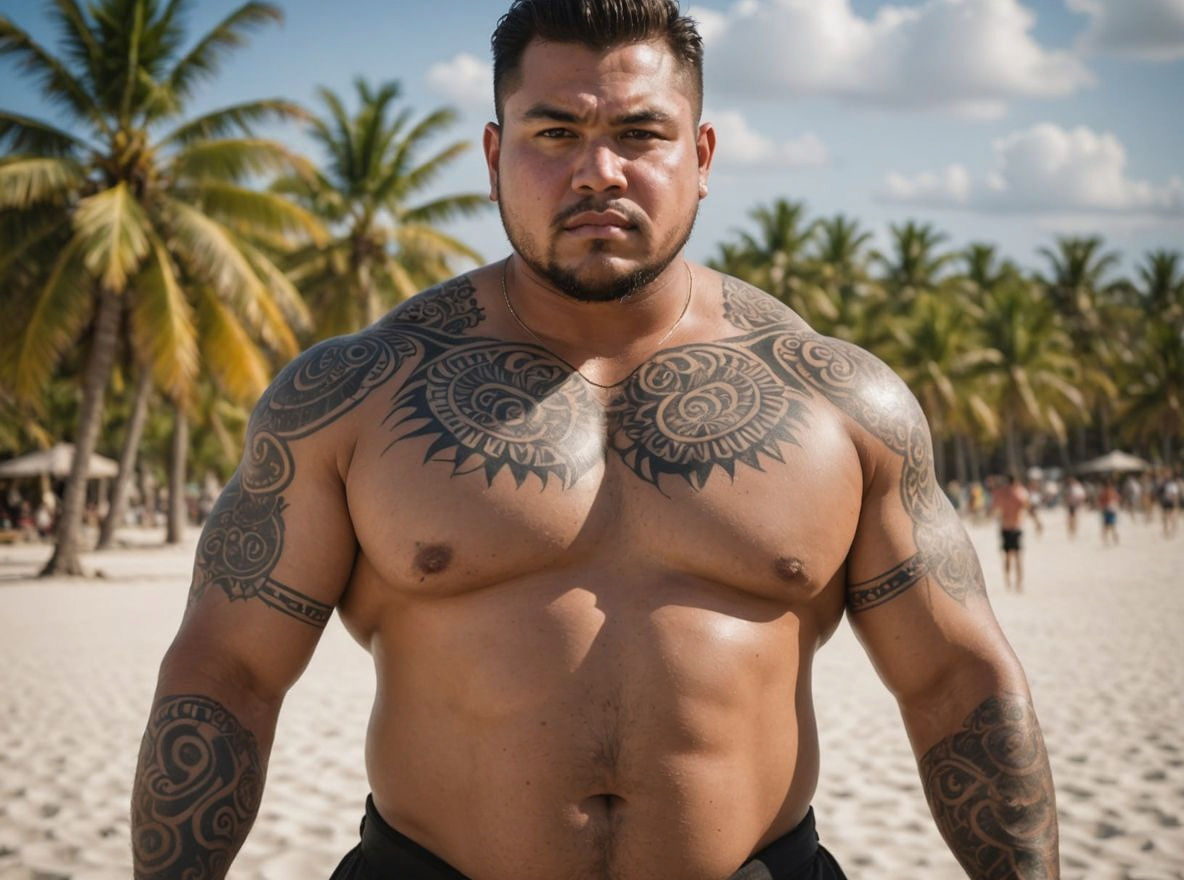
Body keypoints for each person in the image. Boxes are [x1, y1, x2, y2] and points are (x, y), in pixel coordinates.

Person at [130, 3, 1059, 878]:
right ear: (494, 154)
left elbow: (954, 680)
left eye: (640, 134)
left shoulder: (840, 402)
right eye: (555, 133)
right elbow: (229, 674)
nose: (598, 172)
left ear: (702, 155)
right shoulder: (354, 396)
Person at [990, 473, 1041, 593]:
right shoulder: (1020, 492)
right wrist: (1037, 522)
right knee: (1017, 557)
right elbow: (1029, 509)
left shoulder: (1001, 492)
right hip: (1016, 527)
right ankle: (1018, 583)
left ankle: (1008, 581)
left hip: (1005, 527)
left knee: (1008, 556)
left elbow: (994, 508)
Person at [1098, 478, 1120, 546]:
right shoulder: (1113, 491)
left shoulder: (1105, 492)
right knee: (1112, 526)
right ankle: (1114, 539)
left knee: (1106, 526)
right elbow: (1118, 499)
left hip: (1107, 510)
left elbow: (1101, 501)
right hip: (1112, 510)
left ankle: (1106, 540)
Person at [1064, 475, 1086, 539]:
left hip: (1074, 504)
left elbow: (1081, 496)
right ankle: (1072, 531)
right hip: (1072, 504)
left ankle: (1073, 531)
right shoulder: (1072, 487)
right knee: (1071, 518)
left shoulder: (1076, 487)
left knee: (1073, 518)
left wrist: (1078, 502)